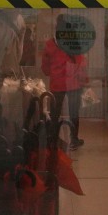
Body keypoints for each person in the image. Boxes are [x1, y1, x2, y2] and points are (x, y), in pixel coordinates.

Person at [41, 14, 90, 150]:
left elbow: (45, 67)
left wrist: (52, 72)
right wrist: (84, 80)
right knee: (74, 112)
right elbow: (81, 63)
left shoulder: (50, 44)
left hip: (56, 83)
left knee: (54, 113)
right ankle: (74, 140)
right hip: (73, 83)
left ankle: (52, 140)